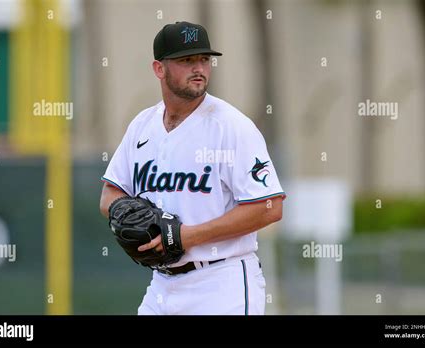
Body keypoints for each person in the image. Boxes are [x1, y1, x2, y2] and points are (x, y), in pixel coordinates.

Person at [99, 21, 285, 315]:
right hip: (161, 284)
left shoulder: (231, 127)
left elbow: (270, 206)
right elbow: (110, 192)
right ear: (159, 69)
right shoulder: (142, 126)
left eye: (204, 59)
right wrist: (126, 216)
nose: (199, 68)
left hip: (222, 284)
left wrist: (187, 235)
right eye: (187, 60)